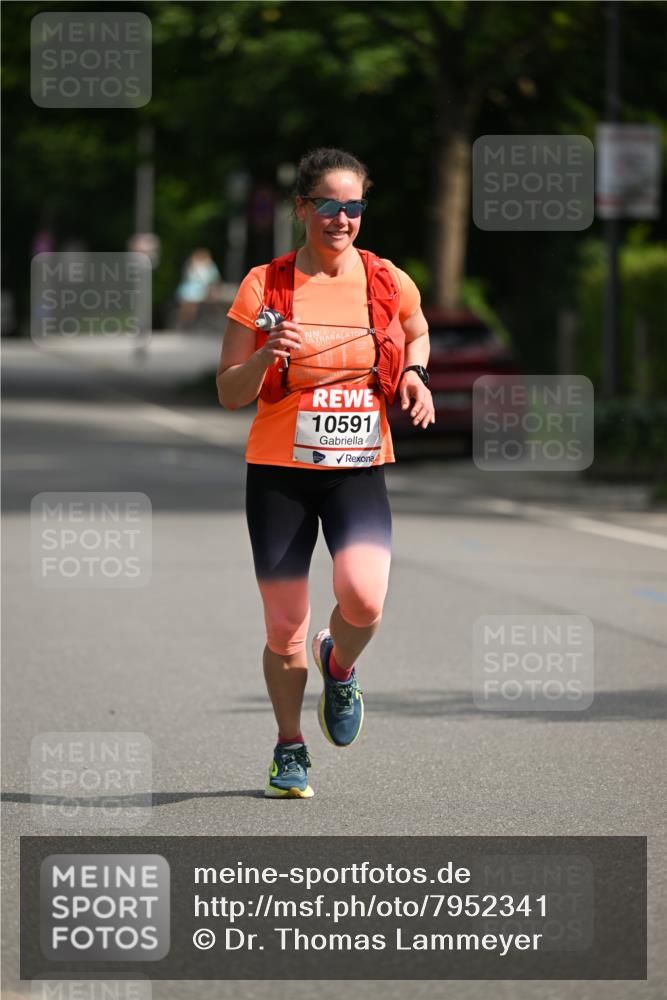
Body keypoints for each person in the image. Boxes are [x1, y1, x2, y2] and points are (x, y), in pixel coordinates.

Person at [216, 147, 435, 798]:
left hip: (357, 467)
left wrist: (417, 375)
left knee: (364, 599)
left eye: (354, 207)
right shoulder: (265, 286)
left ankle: (338, 667)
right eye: (329, 206)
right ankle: (289, 749)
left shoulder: (386, 280)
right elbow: (229, 391)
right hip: (278, 473)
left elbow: (416, 331)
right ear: (302, 209)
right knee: (283, 628)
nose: (342, 219)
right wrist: (264, 359)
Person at [176, 248, 222, 328]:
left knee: (192, 303)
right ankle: (187, 322)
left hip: (204, 290)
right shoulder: (192, 265)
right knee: (189, 302)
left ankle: (188, 322)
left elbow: (214, 280)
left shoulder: (210, 266)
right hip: (193, 290)